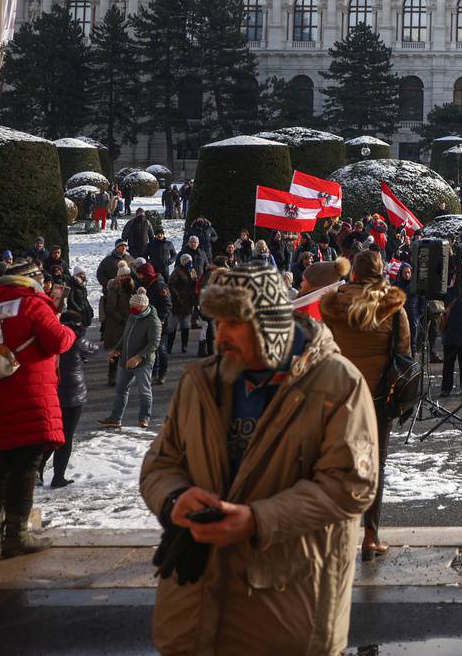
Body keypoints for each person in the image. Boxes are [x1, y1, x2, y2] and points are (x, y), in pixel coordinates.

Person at [140, 260, 379, 656]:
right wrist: (173, 499)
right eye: (218, 323)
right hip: (194, 609)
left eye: (234, 324)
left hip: (287, 609)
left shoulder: (339, 383)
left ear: (268, 325)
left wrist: (258, 520)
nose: (221, 337)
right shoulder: (200, 381)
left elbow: (351, 485)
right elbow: (160, 463)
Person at [0, 257, 76, 556]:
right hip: (27, 390)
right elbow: (57, 340)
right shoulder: (32, 303)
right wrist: (67, 328)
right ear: (32, 280)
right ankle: (17, 533)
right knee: (27, 463)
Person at [318, 249, 411, 559]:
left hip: (340, 394)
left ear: (354, 273)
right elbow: (404, 351)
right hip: (379, 397)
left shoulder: (333, 304)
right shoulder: (393, 306)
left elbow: (323, 349)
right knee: (375, 465)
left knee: (337, 463)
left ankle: (337, 533)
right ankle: (371, 536)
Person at [46, 273, 93, 488]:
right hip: (73, 393)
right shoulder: (75, 337)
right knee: (66, 436)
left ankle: (37, 468)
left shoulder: (53, 336)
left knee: (52, 433)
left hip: (54, 389)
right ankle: (58, 477)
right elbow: (92, 349)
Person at [100, 287, 161, 429]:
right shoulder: (133, 317)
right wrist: (116, 349)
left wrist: (139, 357)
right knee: (121, 389)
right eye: (130, 306)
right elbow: (125, 336)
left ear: (142, 306)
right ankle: (115, 418)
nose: (131, 309)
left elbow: (154, 343)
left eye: (134, 307)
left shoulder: (153, 321)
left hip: (142, 362)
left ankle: (144, 418)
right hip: (125, 360)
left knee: (144, 391)